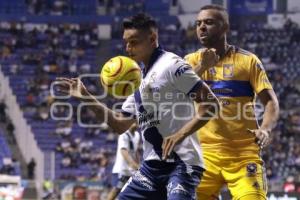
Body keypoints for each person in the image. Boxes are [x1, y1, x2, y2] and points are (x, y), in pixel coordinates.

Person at [57, 13, 219, 200]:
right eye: (126, 42)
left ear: (152, 39)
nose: (128, 48)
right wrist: (86, 96)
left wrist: (180, 134)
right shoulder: (137, 81)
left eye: (133, 42)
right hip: (151, 168)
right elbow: (119, 124)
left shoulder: (172, 65)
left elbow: (211, 105)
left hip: (182, 164)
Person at [184, 5, 280, 200]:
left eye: (209, 22)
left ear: (225, 27)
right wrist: (203, 66)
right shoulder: (190, 61)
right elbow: (178, 94)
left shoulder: (248, 61)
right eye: (198, 23)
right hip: (203, 155)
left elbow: (270, 103)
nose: (202, 27)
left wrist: (266, 129)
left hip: (243, 154)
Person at [107, 123, 140, 200]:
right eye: (133, 121)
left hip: (131, 171)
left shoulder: (137, 135)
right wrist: (134, 165)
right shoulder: (124, 134)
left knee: (133, 192)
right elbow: (123, 151)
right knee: (116, 190)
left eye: (137, 121)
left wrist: (138, 164)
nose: (135, 123)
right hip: (122, 170)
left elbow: (136, 151)